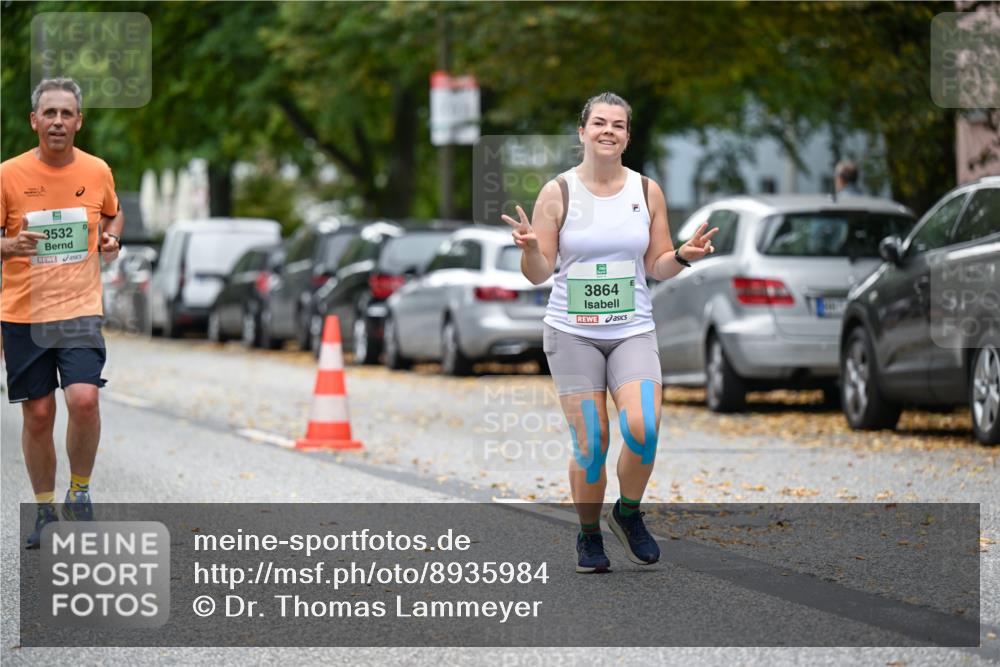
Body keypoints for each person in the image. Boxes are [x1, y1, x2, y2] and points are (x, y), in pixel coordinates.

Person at [502, 92, 717, 573]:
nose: (608, 131)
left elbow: (657, 265)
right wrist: (531, 247)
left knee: (643, 429)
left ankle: (627, 513)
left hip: (631, 330)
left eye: (618, 125)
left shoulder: (646, 191)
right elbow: (538, 273)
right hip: (571, 334)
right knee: (593, 442)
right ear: (582, 132)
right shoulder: (558, 192)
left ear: (627, 136)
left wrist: (683, 255)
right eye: (599, 123)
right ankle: (588, 534)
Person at [1, 77, 123, 549]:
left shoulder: (97, 170)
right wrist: (10, 244)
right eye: (48, 113)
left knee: (84, 400)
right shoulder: (8, 175)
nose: (57, 121)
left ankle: (80, 492)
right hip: (23, 311)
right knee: (38, 414)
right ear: (34, 121)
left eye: (66, 113)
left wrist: (111, 237)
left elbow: (111, 215)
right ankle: (46, 508)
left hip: (79, 310)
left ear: (78, 121)